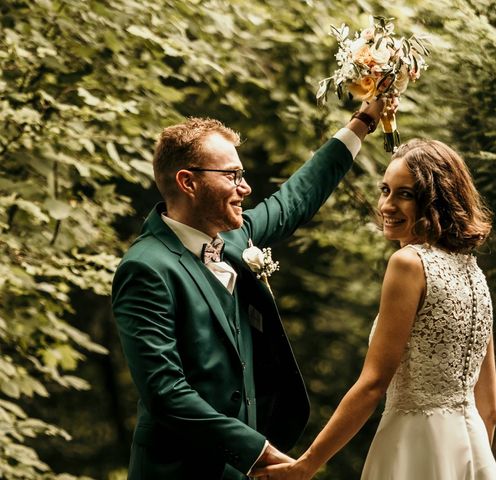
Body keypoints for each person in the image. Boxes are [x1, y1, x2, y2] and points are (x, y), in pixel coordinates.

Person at [111, 99, 394, 479]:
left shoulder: (233, 237)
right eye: (232, 175)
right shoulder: (145, 268)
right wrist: (257, 451)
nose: (245, 187)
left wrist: (362, 122)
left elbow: (294, 199)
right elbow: (164, 392)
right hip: (179, 471)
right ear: (187, 182)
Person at [253, 139, 496, 479]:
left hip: (413, 446)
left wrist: (306, 464)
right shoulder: (473, 272)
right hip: (472, 450)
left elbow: (373, 384)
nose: (386, 204)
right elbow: (490, 410)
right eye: (385, 190)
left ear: (436, 201)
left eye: (406, 194)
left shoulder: (409, 263)